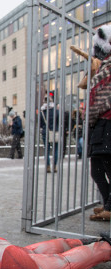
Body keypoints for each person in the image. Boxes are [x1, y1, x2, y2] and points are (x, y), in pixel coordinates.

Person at [81, 25, 111, 221]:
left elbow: (99, 98)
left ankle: (110, 205)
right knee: (97, 169)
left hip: (107, 123)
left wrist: (89, 114)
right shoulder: (103, 67)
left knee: (107, 166)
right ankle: (108, 201)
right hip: (100, 124)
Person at [40, 95, 59, 173]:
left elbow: (41, 124)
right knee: (56, 150)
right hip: (55, 132)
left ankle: (48, 166)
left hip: (46, 132)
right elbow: (59, 122)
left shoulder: (42, 112)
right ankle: (54, 166)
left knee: (46, 150)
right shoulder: (56, 111)